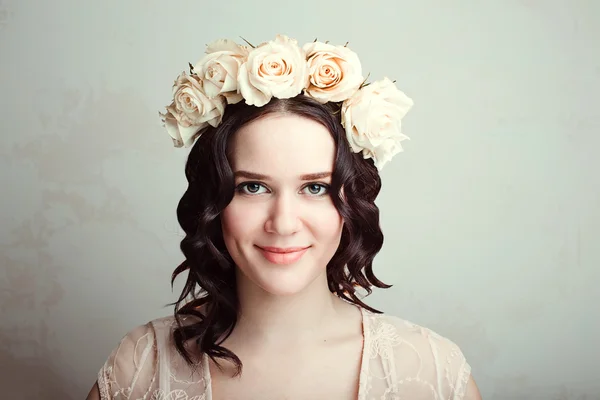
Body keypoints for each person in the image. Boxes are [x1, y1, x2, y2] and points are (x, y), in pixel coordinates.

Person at [86, 34, 482, 400]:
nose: (284, 223)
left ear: (352, 204)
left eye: (315, 188)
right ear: (215, 201)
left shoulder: (431, 372)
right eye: (253, 187)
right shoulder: (138, 367)